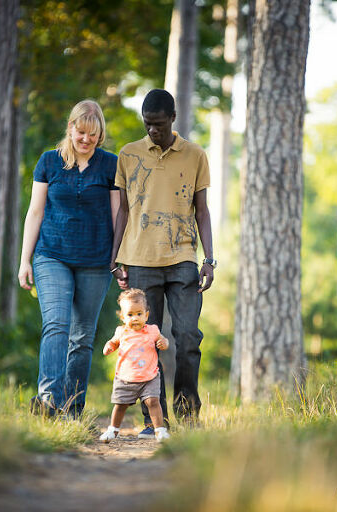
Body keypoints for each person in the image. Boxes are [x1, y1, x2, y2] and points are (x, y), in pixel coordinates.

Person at [110, 89, 215, 438]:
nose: (153, 130)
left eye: (158, 124)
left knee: (188, 337)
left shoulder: (195, 155)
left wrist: (208, 259)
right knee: (143, 341)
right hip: (140, 260)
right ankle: (155, 422)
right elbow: (123, 210)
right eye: (147, 125)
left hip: (183, 257)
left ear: (172, 118)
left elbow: (202, 211)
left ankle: (188, 414)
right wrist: (115, 259)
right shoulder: (129, 154)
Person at [18, 99, 119, 417]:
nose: (86, 139)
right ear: (70, 128)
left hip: (96, 260)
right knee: (56, 325)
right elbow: (35, 212)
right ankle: (48, 400)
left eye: (93, 134)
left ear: (100, 134)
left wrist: (119, 260)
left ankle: (72, 407)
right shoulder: (49, 162)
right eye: (81, 132)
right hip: (52, 255)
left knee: (82, 336)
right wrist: (24, 260)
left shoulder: (110, 164)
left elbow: (118, 216)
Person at [99, 288, 170, 443]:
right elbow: (112, 342)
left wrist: (164, 343)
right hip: (125, 378)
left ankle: (160, 430)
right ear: (123, 317)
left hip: (149, 377)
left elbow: (164, 340)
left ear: (146, 315)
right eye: (130, 315)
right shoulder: (121, 332)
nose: (135, 318)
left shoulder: (152, 330)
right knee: (120, 405)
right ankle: (113, 430)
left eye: (139, 314)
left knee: (153, 401)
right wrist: (109, 346)